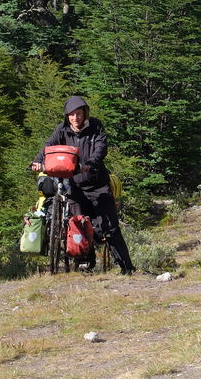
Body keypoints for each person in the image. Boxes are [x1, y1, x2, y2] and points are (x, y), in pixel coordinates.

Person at [31, 96, 135, 274]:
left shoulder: (95, 126)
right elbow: (49, 146)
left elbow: (101, 148)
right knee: (78, 224)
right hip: (75, 186)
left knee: (109, 227)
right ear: (67, 116)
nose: (75, 118)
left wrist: (91, 163)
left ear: (85, 113)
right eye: (71, 115)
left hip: (97, 184)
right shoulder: (62, 129)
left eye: (78, 114)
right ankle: (86, 264)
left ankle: (126, 267)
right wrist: (38, 161)